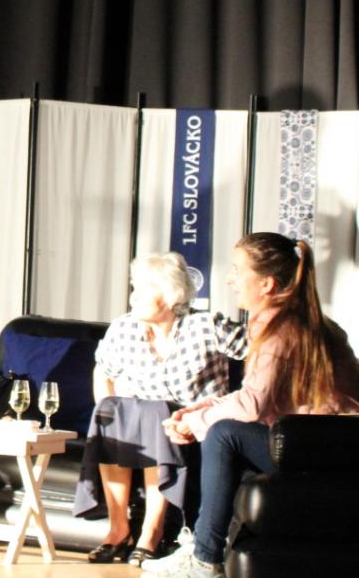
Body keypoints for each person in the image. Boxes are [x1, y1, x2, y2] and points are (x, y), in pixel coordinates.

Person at [147, 233, 359, 577]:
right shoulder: (295, 319)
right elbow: (257, 394)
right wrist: (199, 412)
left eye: (237, 270)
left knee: (224, 434)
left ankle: (204, 557)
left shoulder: (281, 327)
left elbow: (251, 405)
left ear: (266, 284)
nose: (229, 279)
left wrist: (197, 423)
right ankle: (206, 545)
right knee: (223, 433)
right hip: (323, 446)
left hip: (328, 452)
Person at [74, 253, 247, 567]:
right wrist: (107, 409)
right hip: (147, 427)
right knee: (112, 411)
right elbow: (103, 371)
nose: (134, 297)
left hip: (194, 428)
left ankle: (151, 534)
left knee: (156, 413)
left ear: (171, 295)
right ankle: (119, 530)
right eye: (134, 288)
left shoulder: (207, 325)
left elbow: (262, 350)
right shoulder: (124, 328)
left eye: (144, 289)